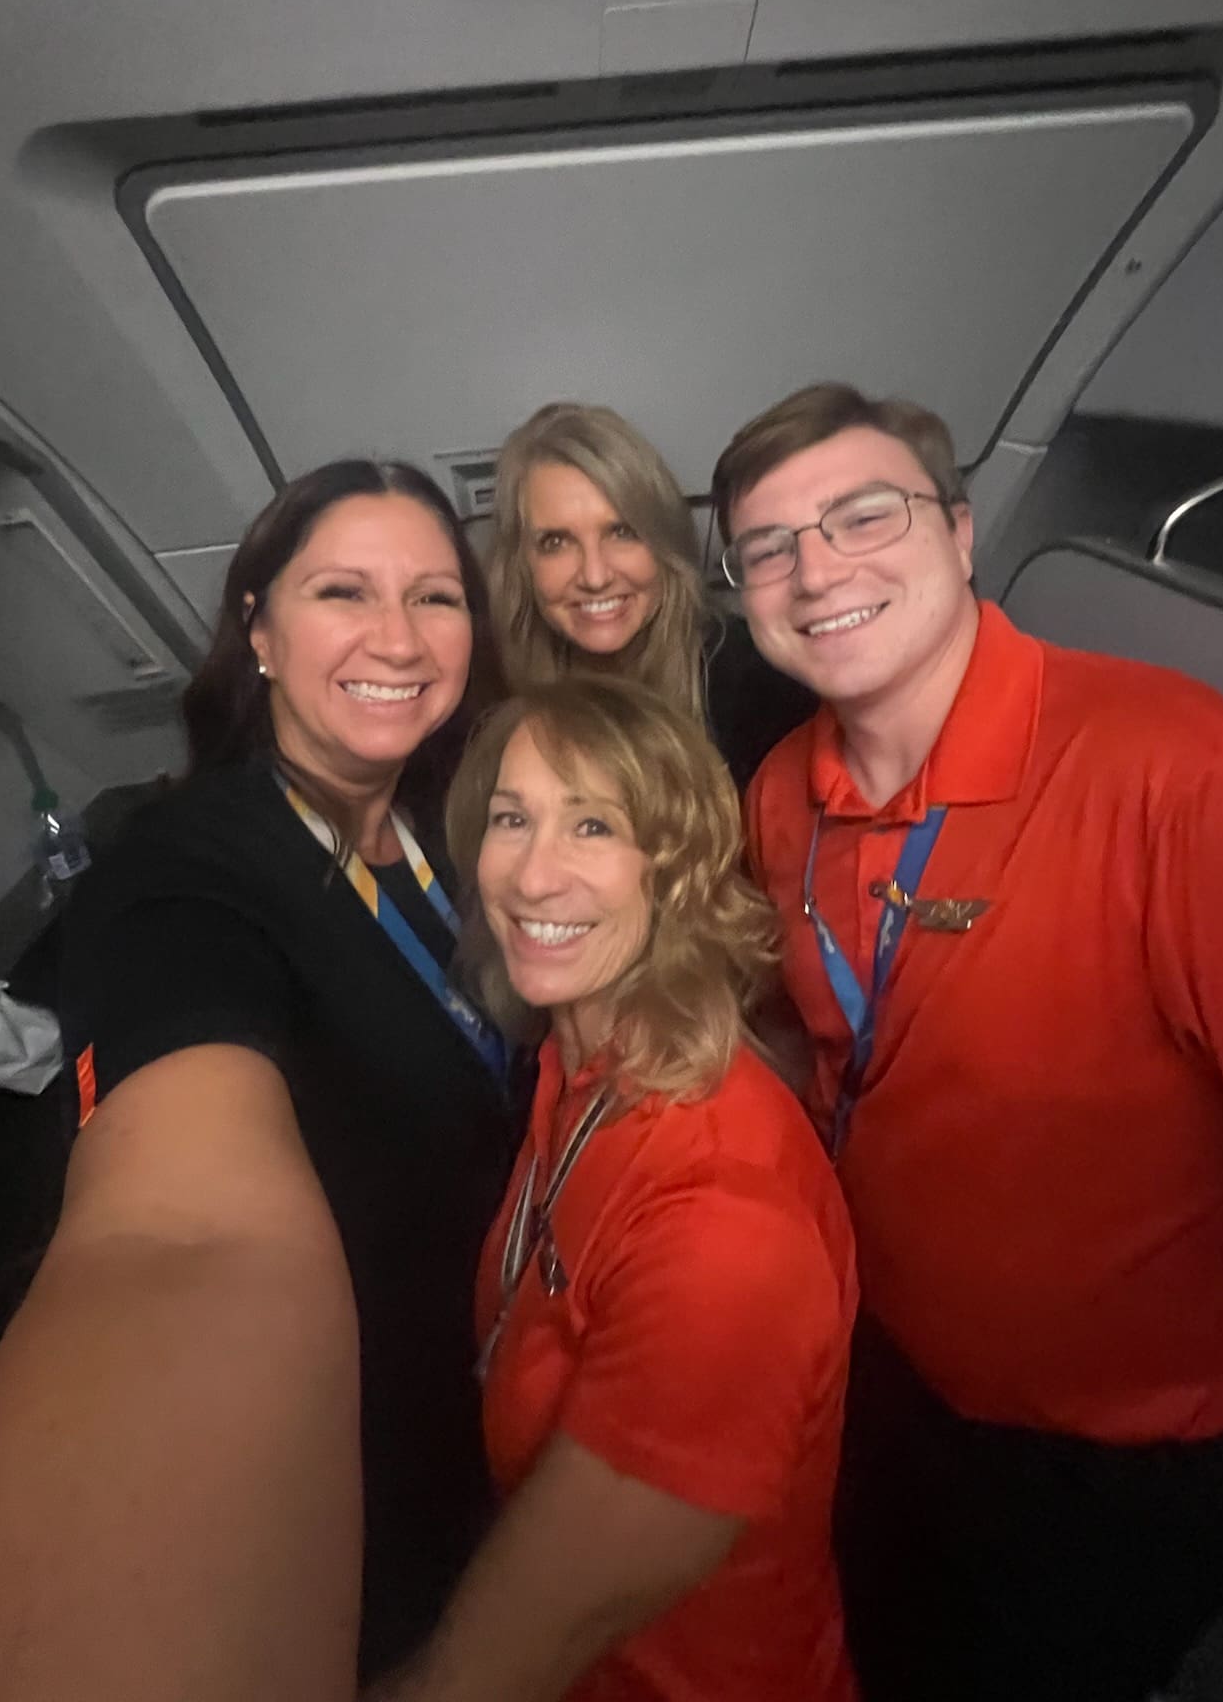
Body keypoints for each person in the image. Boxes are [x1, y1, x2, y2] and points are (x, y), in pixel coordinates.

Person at [711, 381, 1223, 1702]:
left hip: (1120, 1464)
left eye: (860, 515)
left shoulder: (1210, 794)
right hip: (894, 1372)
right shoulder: (786, 796)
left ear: (961, 532)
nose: (815, 569)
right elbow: (844, 1045)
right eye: (768, 547)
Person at [0, 459, 517, 1699]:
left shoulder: (456, 821)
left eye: (437, 597)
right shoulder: (183, 871)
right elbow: (181, 1230)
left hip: (495, 1406)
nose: (399, 635)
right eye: (344, 589)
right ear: (260, 628)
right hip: (349, 1476)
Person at [378, 676, 859, 1702]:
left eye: (593, 823)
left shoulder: (723, 1225)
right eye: (512, 818)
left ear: (674, 870)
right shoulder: (579, 1063)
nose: (533, 873)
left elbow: (474, 1679)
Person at [488, 402, 812, 785]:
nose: (595, 576)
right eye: (556, 542)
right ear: (520, 563)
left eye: (622, 532)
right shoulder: (489, 694)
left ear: (663, 541)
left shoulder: (754, 685)